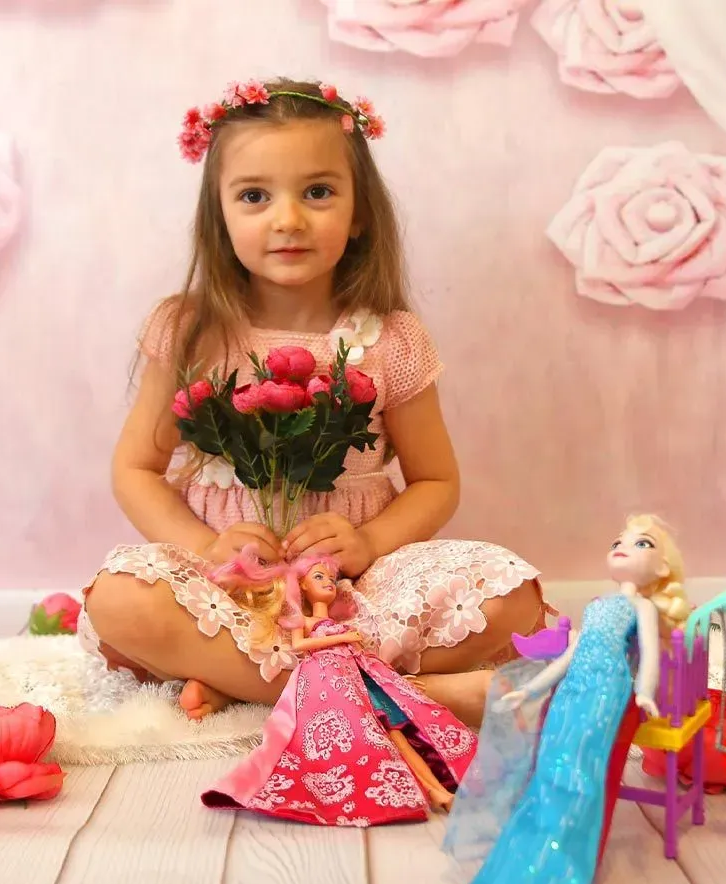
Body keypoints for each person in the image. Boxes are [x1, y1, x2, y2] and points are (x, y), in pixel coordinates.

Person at [77, 77, 546, 725]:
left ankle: (247, 681)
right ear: (221, 215)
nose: (288, 219)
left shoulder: (389, 340)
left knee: (512, 596)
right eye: (254, 196)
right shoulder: (189, 331)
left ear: (359, 214)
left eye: (318, 192)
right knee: (121, 600)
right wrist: (207, 547)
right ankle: (394, 694)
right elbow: (136, 470)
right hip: (228, 586)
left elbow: (436, 481)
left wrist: (369, 539)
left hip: (353, 589)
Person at [442, 514, 687, 884]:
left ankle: (566, 855)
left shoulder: (642, 609)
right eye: (618, 540)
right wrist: (530, 689)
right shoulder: (598, 606)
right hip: (572, 688)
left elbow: (651, 657)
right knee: (552, 761)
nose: (622, 545)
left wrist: (644, 693)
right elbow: (568, 657)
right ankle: (534, 841)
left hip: (608, 690)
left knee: (582, 767)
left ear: (660, 566)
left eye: (642, 543)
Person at [200, 547, 477, 825]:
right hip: (332, 686)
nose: (327, 582)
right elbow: (300, 645)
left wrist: (395, 681)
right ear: (303, 585)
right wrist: (338, 639)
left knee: (399, 735)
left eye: (331, 578)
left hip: (363, 683)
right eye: (319, 576)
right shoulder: (304, 621)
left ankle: (439, 790)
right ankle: (431, 792)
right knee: (381, 740)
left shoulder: (341, 624)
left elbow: (365, 659)